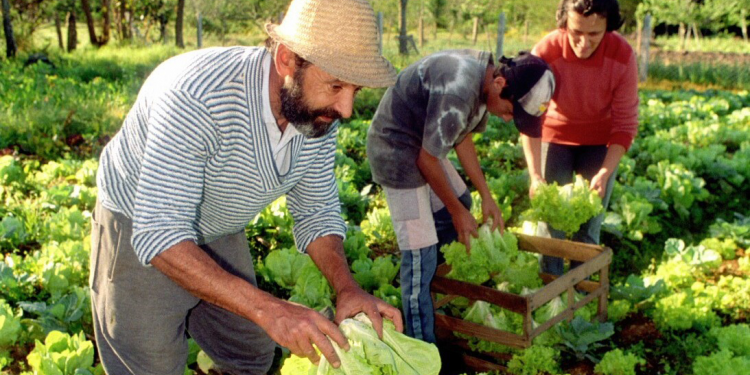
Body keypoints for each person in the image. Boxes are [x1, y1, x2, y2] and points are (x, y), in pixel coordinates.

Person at [89, 0, 403, 374]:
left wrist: (346, 288)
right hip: (141, 225)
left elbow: (316, 212)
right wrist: (270, 309)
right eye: (336, 85)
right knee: (150, 365)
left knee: (251, 351)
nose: (347, 109)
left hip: (218, 223)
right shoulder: (197, 96)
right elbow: (160, 233)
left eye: (356, 90)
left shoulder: (316, 112)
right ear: (287, 60)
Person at [366, 50, 555, 344]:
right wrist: (456, 212)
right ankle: (422, 347)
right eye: (509, 110)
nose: (507, 119)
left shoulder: (485, 81)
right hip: (396, 150)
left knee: (463, 203)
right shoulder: (461, 89)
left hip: (423, 144)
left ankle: (437, 279)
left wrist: (486, 197)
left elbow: (462, 137)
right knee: (420, 255)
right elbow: (427, 160)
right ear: (500, 83)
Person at [521, 0, 638, 275]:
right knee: (551, 226)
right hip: (555, 136)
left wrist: (605, 173)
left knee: (589, 225)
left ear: (608, 27)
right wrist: (535, 175)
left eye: (594, 34)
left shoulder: (622, 55)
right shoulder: (545, 51)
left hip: (599, 141)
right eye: (576, 33)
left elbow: (624, 125)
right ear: (564, 23)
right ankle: (550, 295)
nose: (583, 43)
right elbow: (530, 118)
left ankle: (581, 296)